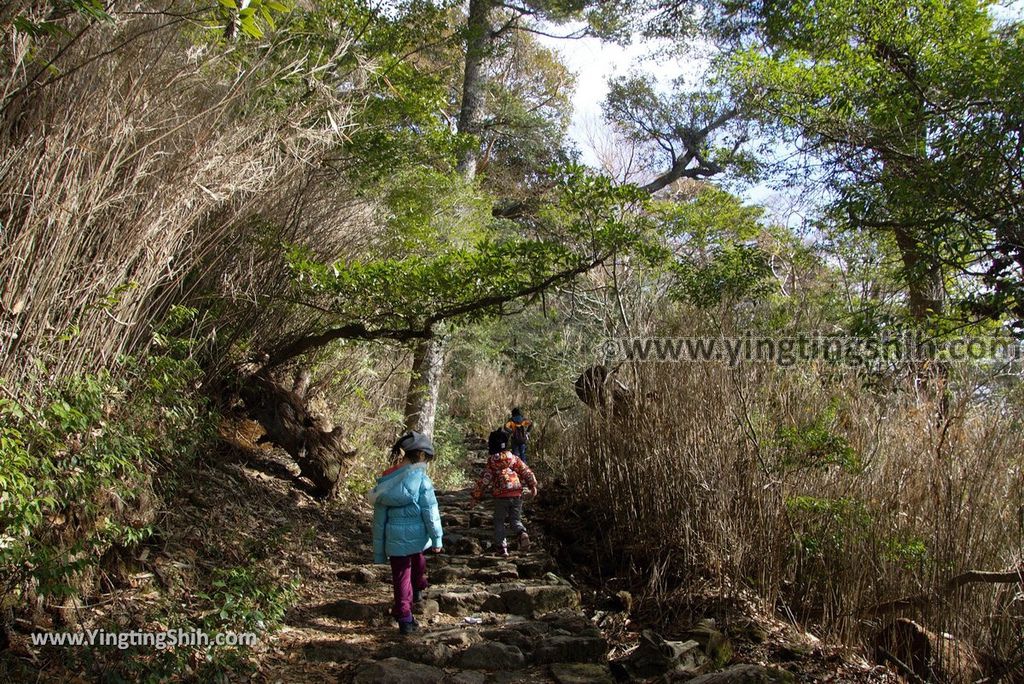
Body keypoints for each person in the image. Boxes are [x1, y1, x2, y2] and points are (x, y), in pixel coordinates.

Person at [369, 431, 443, 635]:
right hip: (417, 538)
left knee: (401, 576)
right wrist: (437, 538)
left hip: (394, 540)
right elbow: (430, 512)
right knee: (418, 561)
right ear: (421, 456)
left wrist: (379, 551)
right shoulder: (422, 481)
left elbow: (379, 520)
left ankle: (404, 616)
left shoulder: (386, 481)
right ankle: (417, 588)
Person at [472, 429, 539, 557]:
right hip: (516, 493)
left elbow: (484, 480)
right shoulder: (513, 459)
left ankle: (502, 548)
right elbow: (526, 471)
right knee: (515, 520)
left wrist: (476, 496)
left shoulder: (492, 462)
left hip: (500, 495)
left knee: (499, 521)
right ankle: (522, 533)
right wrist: (532, 485)